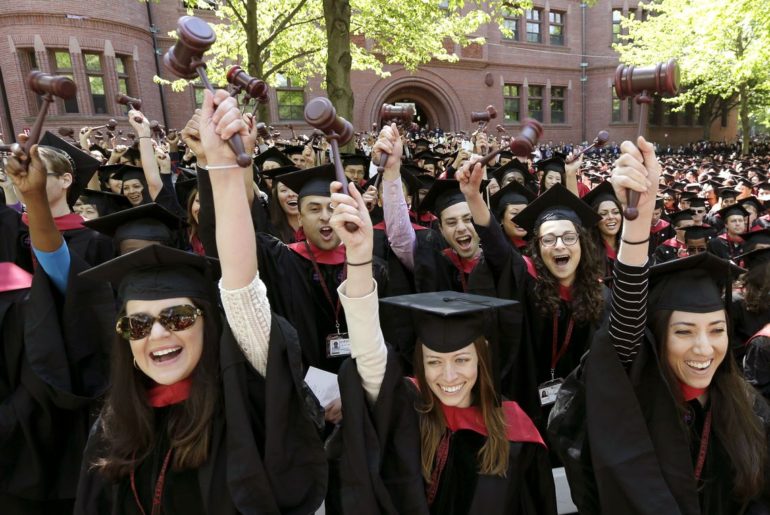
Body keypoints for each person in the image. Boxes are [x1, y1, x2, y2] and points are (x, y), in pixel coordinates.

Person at [74, 88, 327, 514]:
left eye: (176, 316)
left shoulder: (242, 399)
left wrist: (223, 167)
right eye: (136, 324)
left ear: (208, 321)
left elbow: (241, 289)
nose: (156, 333)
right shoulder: (113, 426)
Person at [550, 135, 770, 514]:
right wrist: (638, 221)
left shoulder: (748, 408)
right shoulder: (634, 400)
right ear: (657, 336)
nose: (704, 348)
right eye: (684, 331)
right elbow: (624, 326)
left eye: (717, 330)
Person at [327, 178, 557, 514]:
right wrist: (359, 258)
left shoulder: (515, 430)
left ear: (482, 360)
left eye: (462, 359)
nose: (448, 375)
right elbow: (368, 351)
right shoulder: (405, 409)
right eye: (433, 361)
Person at [458, 161, 606, 427]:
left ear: (582, 243)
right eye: (548, 240)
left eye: (568, 237)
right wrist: (472, 197)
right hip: (527, 397)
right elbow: (496, 247)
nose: (559, 245)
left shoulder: (600, 293)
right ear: (537, 247)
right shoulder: (526, 277)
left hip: (582, 406)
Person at [583, 181, 622, 277]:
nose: (611, 217)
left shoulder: (629, 246)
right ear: (595, 220)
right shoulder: (588, 252)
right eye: (603, 214)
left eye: (615, 212)